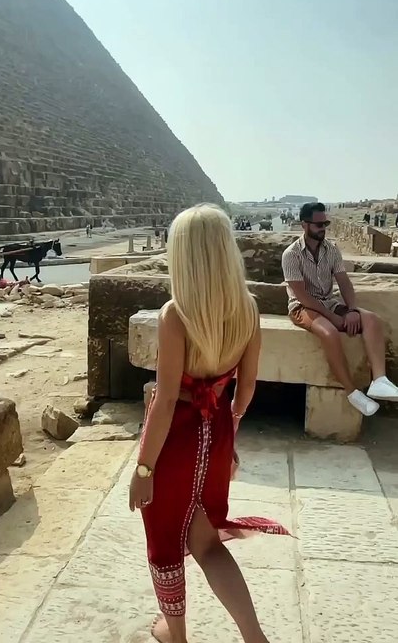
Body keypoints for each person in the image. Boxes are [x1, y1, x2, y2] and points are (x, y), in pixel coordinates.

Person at [130, 204, 289, 643]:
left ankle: (176, 634)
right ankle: (254, 637)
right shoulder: (248, 310)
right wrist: (228, 433)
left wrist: (143, 469)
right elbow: (246, 388)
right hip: (215, 429)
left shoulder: (176, 315)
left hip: (176, 439)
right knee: (206, 543)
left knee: (165, 542)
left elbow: (165, 401)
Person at [282, 202, 398, 417]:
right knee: (329, 332)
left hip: (328, 302)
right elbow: (301, 295)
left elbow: (344, 282)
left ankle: (379, 380)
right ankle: (352, 392)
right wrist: (332, 317)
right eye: (318, 224)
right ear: (304, 225)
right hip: (302, 307)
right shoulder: (291, 254)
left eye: (325, 224)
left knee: (371, 320)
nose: (323, 228)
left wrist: (352, 310)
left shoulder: (331, 250)